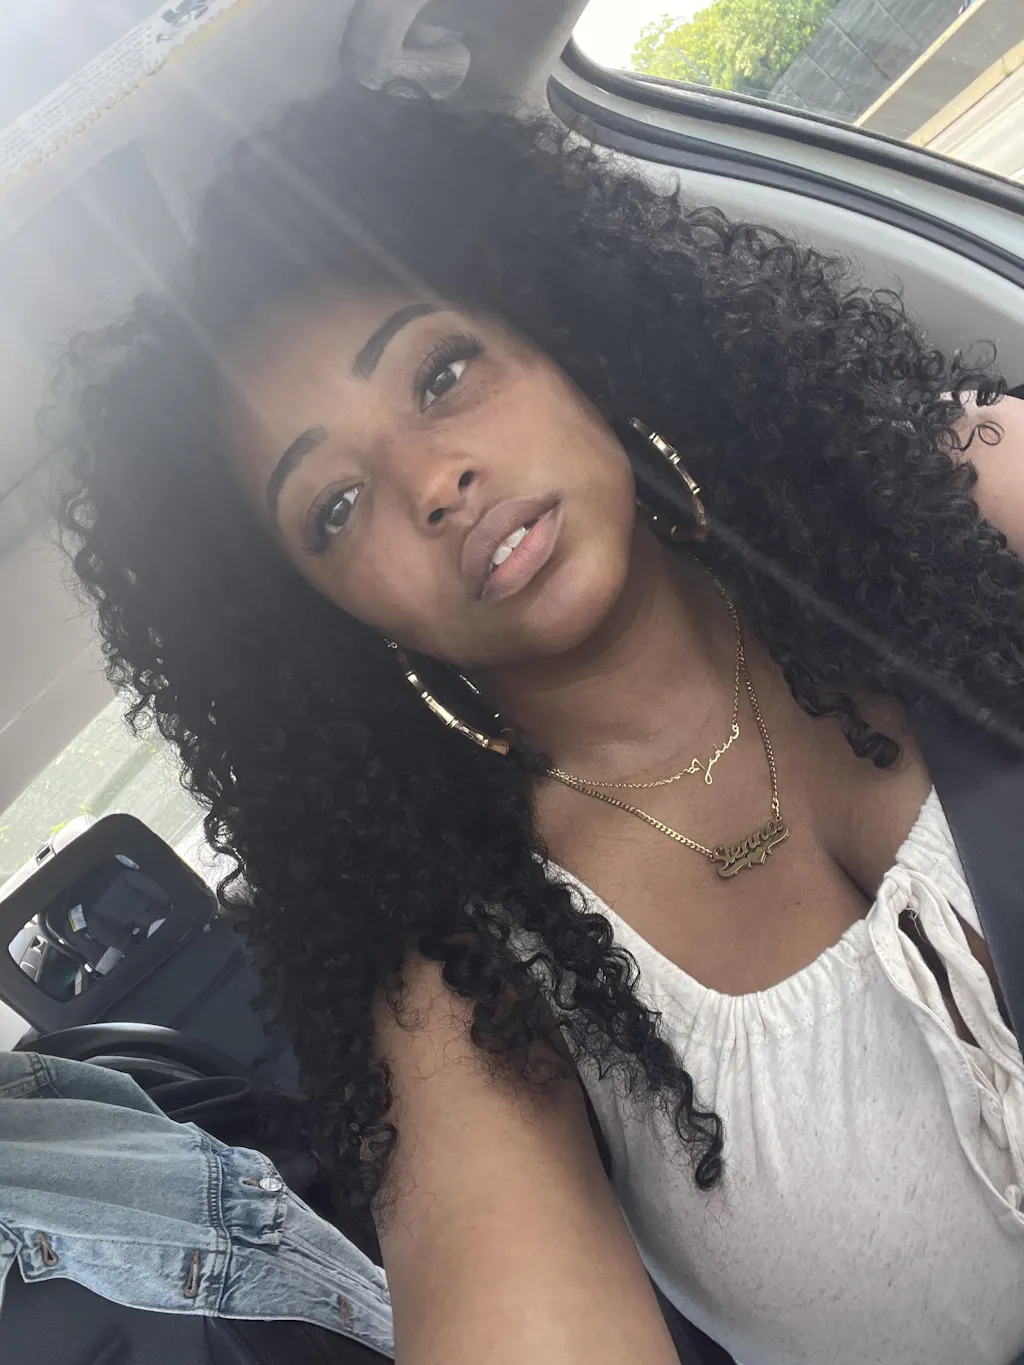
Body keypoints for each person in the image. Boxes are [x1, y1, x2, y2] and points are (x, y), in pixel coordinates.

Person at [56, 81, 1024, 1365]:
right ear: (325, 622)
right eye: (333, 508)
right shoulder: (461, 977)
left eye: (441, 373)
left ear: (558, 333)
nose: (430, 482)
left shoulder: (946, 492)